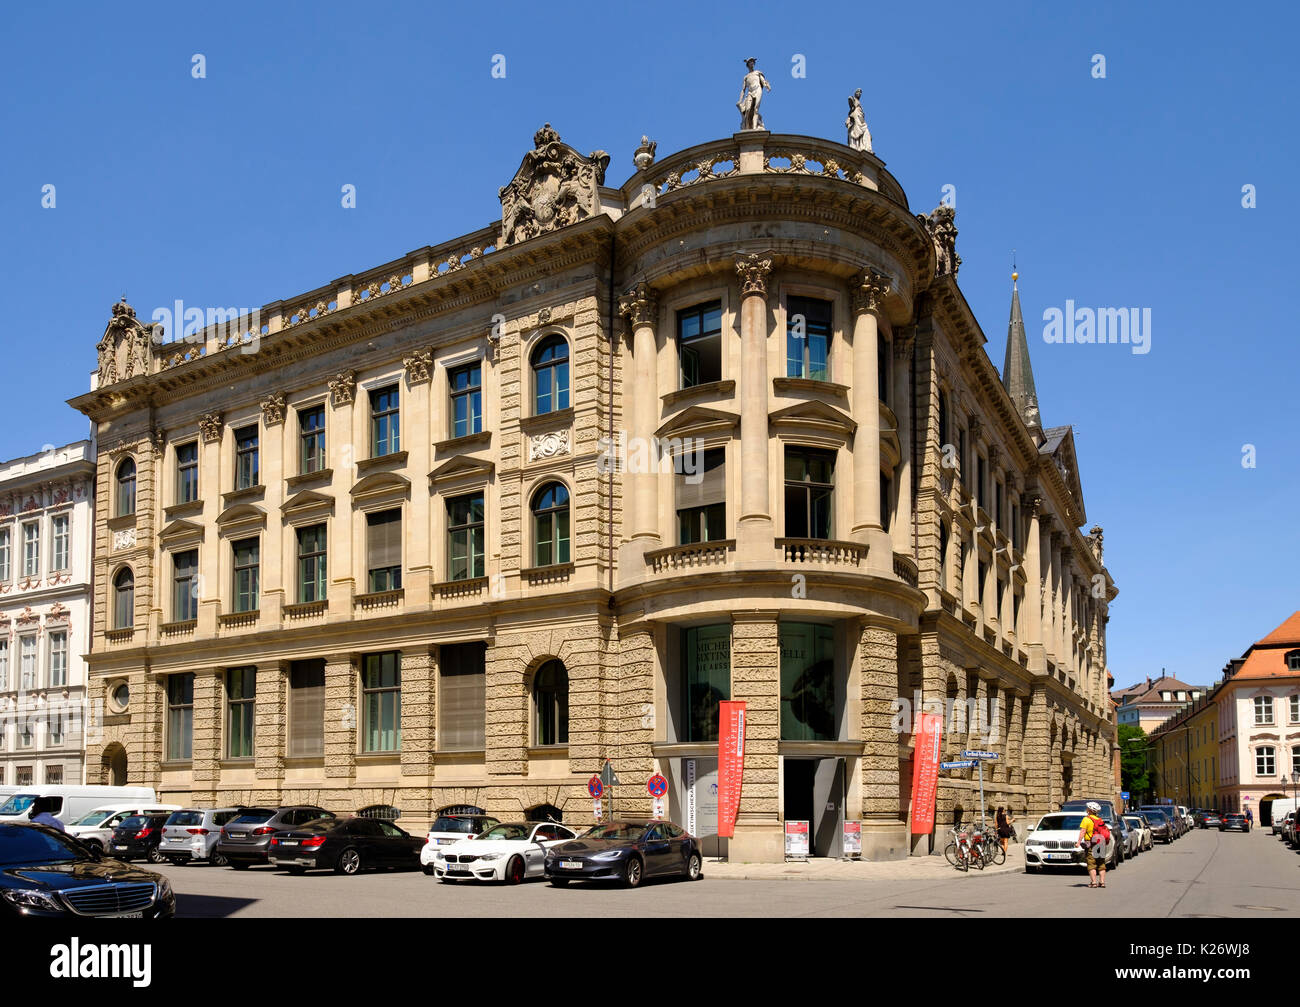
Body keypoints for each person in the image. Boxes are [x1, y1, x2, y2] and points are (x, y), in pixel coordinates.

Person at [1078, 801, 1108, 888]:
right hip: (1101, 843)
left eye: (1087, 808)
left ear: (1089, 810)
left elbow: (1083, 831)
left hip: (1091, 843)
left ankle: (1094, 882)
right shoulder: (1100, 819)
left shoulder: (1086, 819)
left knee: (1091, 863)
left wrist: (1078, 842)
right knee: (1101, 863)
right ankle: (1102, 882)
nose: (1086, 809)